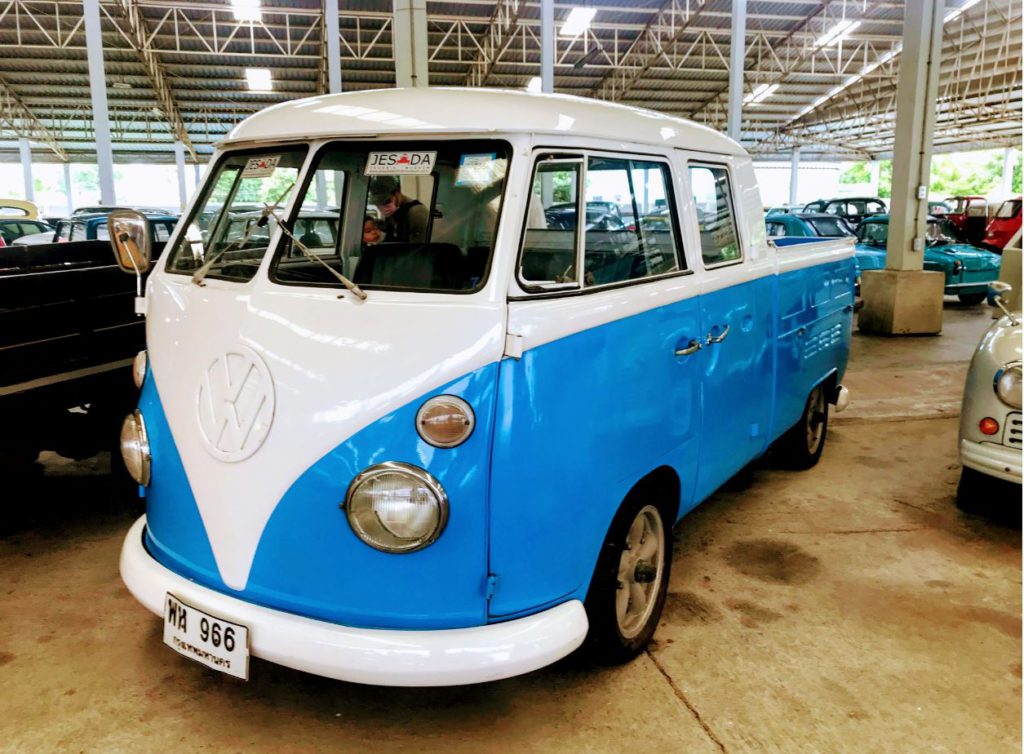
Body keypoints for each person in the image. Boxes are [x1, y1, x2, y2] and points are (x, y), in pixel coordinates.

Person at [367, 176, 430, 243]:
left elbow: (418, 249)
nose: (383, 207)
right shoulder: (393, 213)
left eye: (386, 201)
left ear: (397, 192)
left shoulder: (416, 213)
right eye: (378, 204)